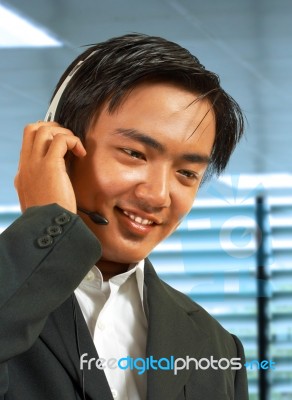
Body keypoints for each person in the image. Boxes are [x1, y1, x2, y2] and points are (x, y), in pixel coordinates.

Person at [0, 33, 249, 399]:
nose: (157, 195)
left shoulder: (217, 347)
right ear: (61, 146)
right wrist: (46, 224)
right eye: (134, 153)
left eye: (187, 173)